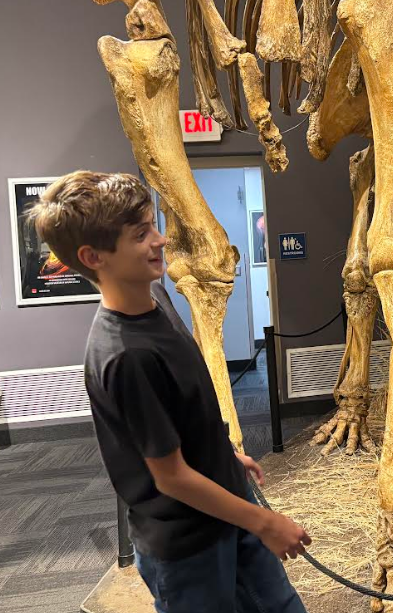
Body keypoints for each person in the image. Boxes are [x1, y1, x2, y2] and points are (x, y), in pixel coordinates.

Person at [29, 171, 310, 613]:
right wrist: (266, 522)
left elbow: (182, 409)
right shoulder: (125, 357)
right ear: (93, 256)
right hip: (189, 546)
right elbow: (170, 476)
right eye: (141, 235)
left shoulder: (156, 296)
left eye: (153, 226)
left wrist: (222, 454)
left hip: (226, 510)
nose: (159, 240)